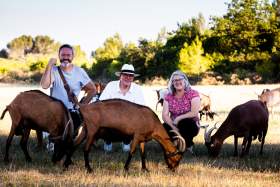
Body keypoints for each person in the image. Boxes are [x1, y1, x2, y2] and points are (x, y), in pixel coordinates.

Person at [40, 44, 96, 150]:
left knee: (66, 143)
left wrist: (82, 105)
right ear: (59, 56)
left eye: (68, 55)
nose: (65, 57)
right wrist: (49, 65)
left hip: (72, 112)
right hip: (54, 112)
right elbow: (44, 85)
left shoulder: (79, 72)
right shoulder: (54, 70)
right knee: (53, 147)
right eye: (63, 55)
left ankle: (64, 139)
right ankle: (52, 140)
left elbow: (92, 89)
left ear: (73, 56)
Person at [99, 64, 145, 152]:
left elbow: (142, 108)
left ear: (133, 78)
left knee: (136, 121)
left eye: (130, 75)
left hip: (129, 119)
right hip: (111, 117)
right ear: (120, 76)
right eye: (125, 75)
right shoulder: (111, 85)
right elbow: (102, 103)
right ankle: (108, 141)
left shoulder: (137, 89)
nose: (128, 77)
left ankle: (126, 141)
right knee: (103, 118)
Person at [162, 70, 200, 154]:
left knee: (184, 123)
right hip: (173, 123)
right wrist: (173, 126)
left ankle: (188, 145)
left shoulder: (193, 93)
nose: (178, 82)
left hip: (190, 124)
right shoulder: (168, 96)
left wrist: (179, 118)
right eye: (175, 80)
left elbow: (194, 112)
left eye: (180, 79)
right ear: (172, 83)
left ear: (185, 81)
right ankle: (175, 144)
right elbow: (165, 115)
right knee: (163, 127)